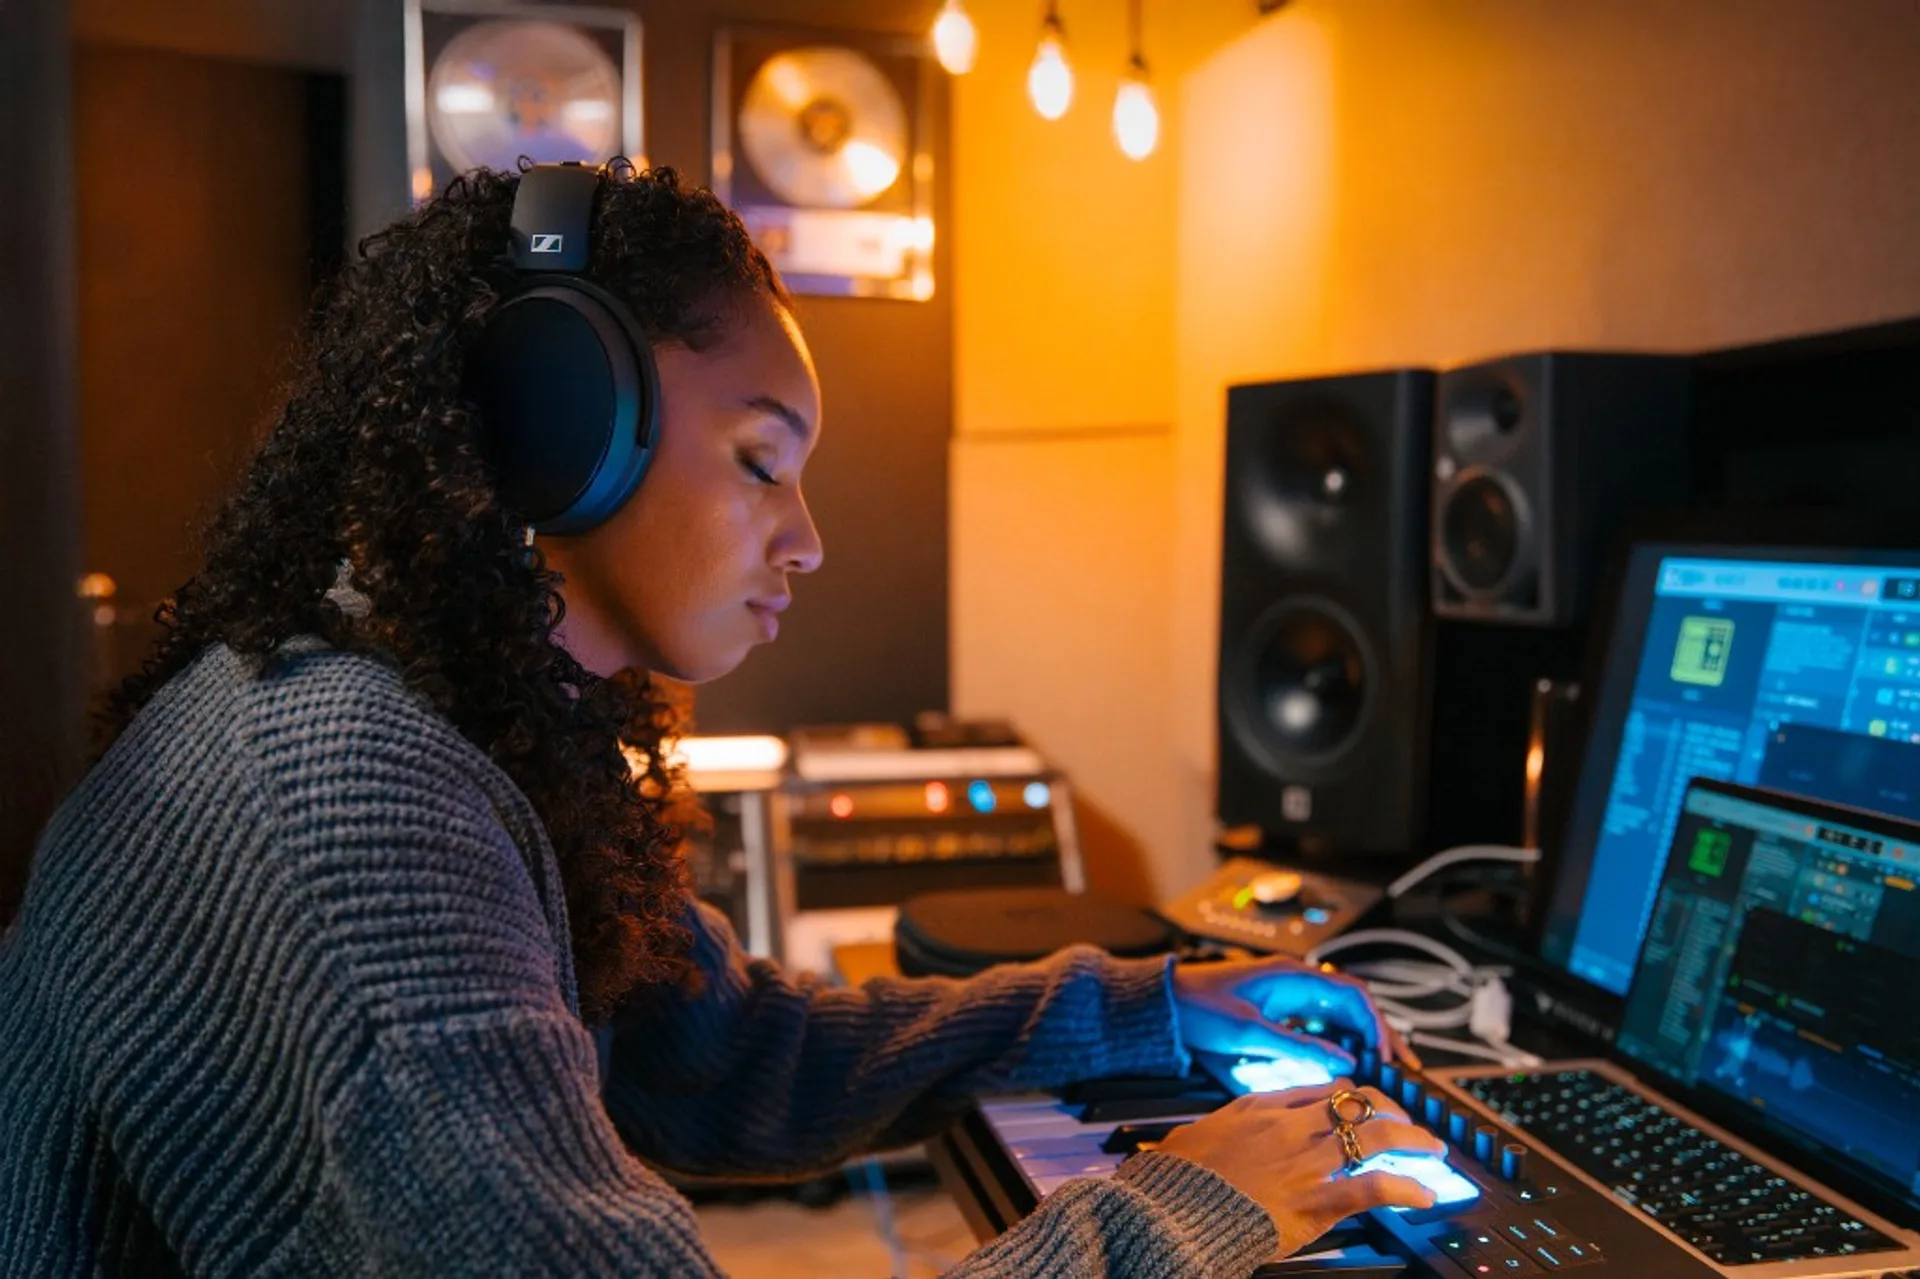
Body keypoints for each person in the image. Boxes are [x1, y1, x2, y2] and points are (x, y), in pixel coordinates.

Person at [0, 162, 1444, 1277]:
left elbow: (725, 1053)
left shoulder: (459, 724)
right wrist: (1190, 1203)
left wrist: (1144, 1006)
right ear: (563, 429)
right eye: (764, 461)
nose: (807, 539)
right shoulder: (349, 793)